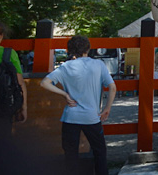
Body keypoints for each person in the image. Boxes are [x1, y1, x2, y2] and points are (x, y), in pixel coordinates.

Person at [41, 35, 116, 175]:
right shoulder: (98, 65)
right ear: (88, 47)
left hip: (71, 116)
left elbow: (44, 82)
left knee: (71, 155)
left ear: (70, 50)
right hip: (92, 117)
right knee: (100, 152)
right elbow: (112, 87)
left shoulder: (65, 67)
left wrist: (64, 94)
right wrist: (107, 108)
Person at [0, 21, 27, 139]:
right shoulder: (8, 54)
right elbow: (19, 83)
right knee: (2, 139)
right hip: (2, 105)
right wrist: (23, 107)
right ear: (1, 36)